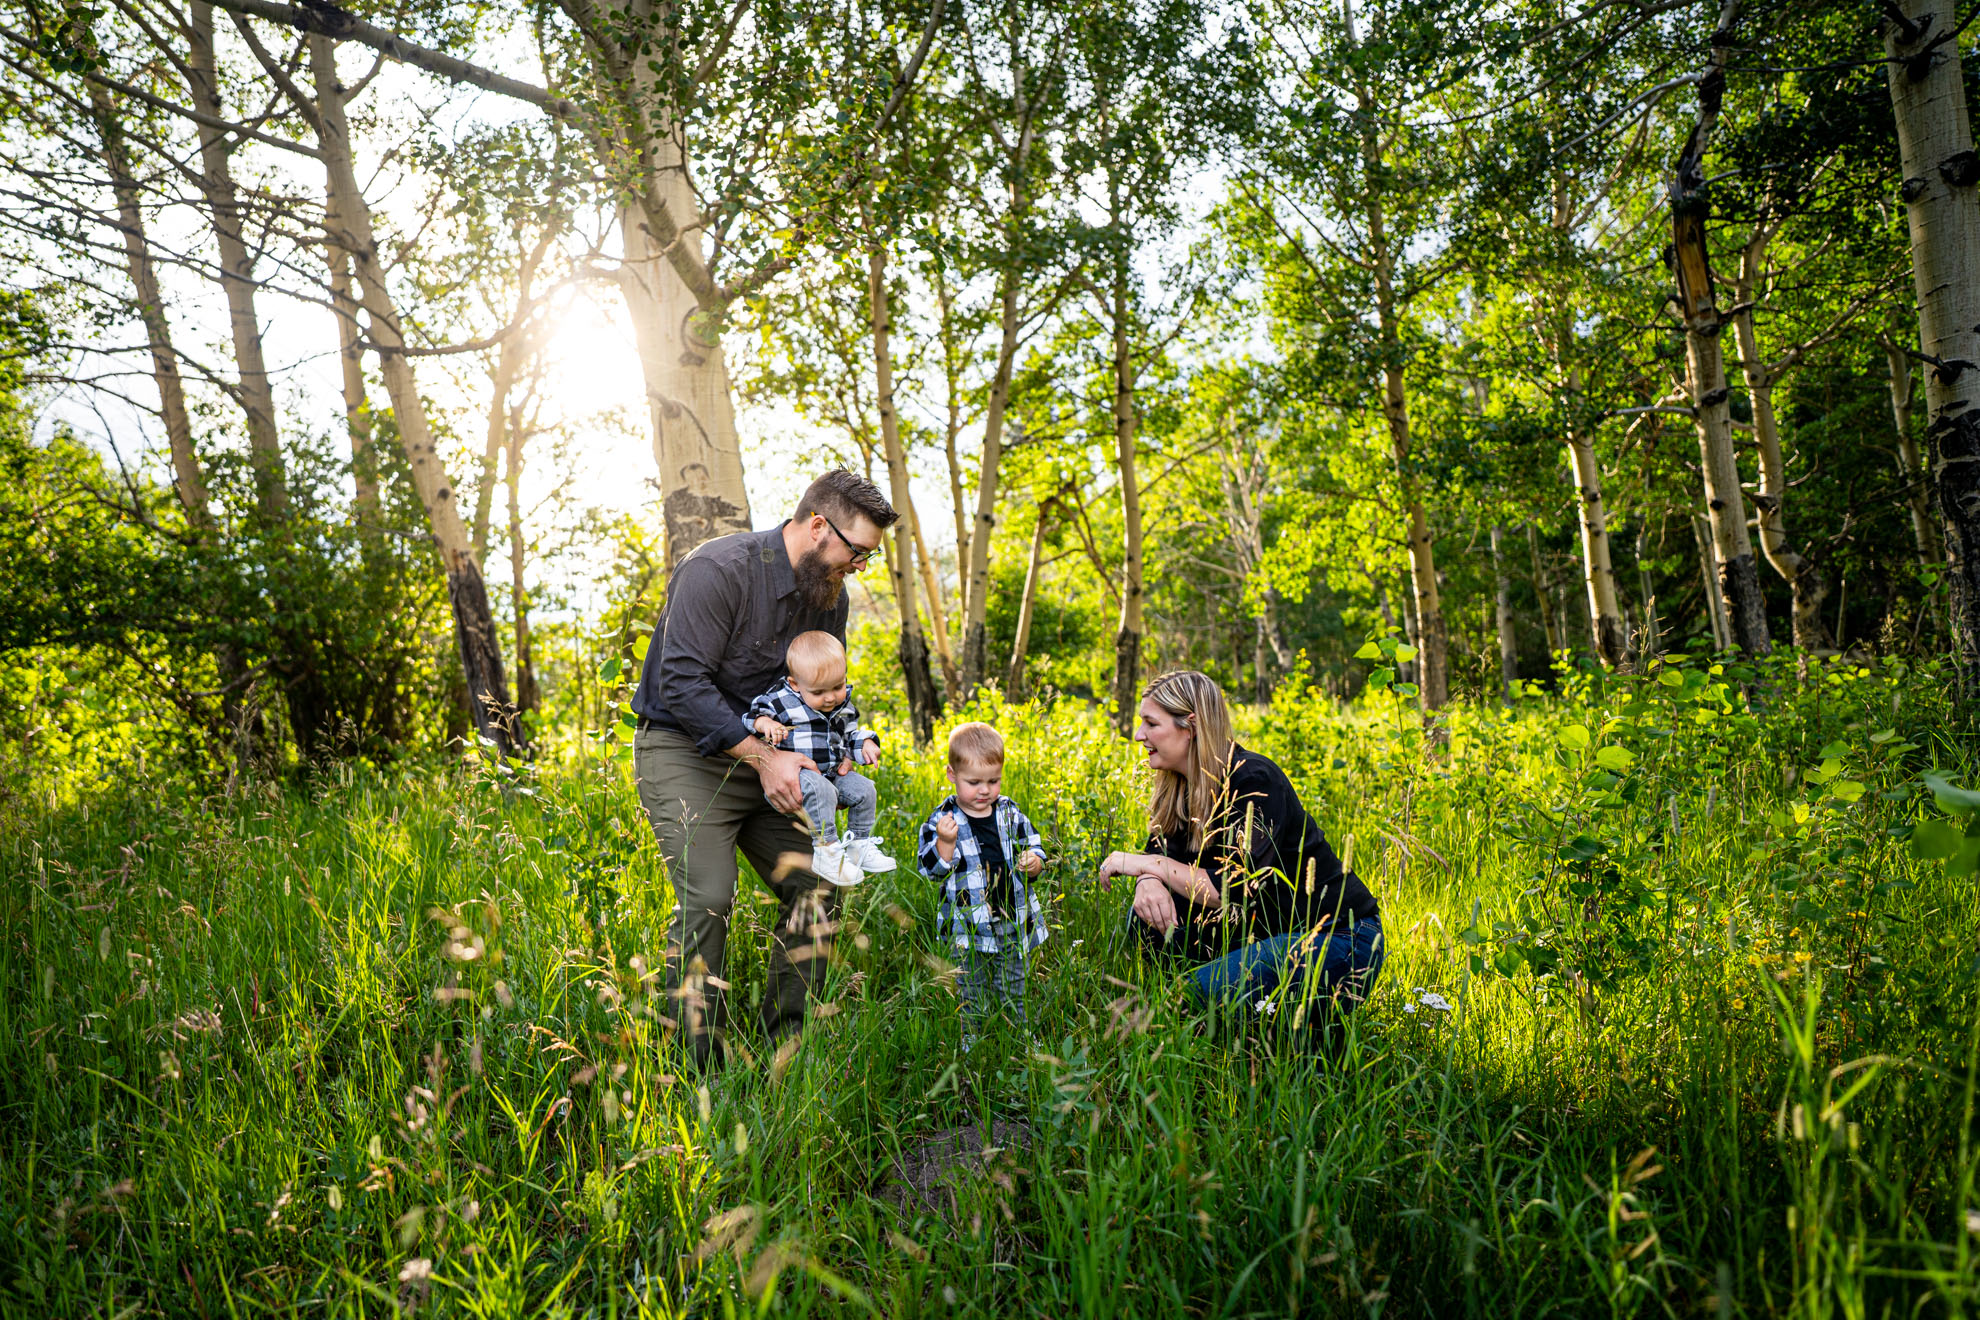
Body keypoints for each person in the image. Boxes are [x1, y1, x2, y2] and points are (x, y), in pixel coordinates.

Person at [630, 469, 896, 1065]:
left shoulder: (830, 597)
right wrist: (764, 756)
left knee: (820, 882)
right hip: (684, 749)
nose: (858, 567)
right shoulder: (718, 569)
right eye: (856, 552)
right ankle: (697, 1069)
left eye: (867, 558)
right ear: (818, 526)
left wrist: (839, 749)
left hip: (775, 761)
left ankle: (786, 1047)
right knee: (710, 898)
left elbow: (819, 695)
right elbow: (681, 683)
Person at [1097, 670, 1382, 1026]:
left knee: (1183, 1000)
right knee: (1143, 919)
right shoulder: (1178, 784)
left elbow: (1232, 889)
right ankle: (1229, 1026)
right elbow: (1157, 857)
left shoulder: (1254, 779)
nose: (1139, 735)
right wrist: (1147, 879)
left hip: (1337, 936)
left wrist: (1149, 865)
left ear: (1192, 725)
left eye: (1151, 724)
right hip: (1264, 931)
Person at [917, 722, 1049, 1048]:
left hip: (1013, 918)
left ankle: (1019, 1035)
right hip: (968, 925)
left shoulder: (1009, 812)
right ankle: (972, 1038)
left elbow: (1034, 845)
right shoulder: (942, 821)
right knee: (971, 985)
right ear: (951, 774)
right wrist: (945, 844)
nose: (984, 790)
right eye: (973, 782)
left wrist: (1035, 862)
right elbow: (931, 871)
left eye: (993, 780)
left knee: (1015, 981)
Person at [747, 630, 898, 886]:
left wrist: (866, 744)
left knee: (865, 789)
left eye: (838, 687)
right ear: (795, 684)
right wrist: (766, 724)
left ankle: (859, 844)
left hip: (832, 772)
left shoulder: (842, 705)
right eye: (818, 692)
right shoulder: (781, 701)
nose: (830, 698)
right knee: (821, 789)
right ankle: (826, 850)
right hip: (798, 776)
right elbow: (751, 716)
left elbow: (850, 734)